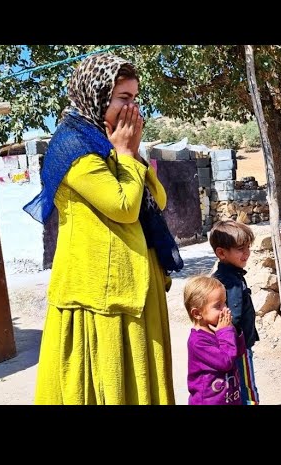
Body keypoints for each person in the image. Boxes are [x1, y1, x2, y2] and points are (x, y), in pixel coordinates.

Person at [23, 53, 175, 404]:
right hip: (99, 290)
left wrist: (131, 156)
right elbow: (122, 207)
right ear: (96, 94)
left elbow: (159, 200)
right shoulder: (74, 148)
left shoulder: (112, 145)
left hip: (135, 283)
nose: (132, 108)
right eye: (123, 98)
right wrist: (124, 154)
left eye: (135, 99)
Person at [210, 220, 260, 405]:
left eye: (248, 247)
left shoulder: (221, 278)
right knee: (247, 388)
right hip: (238, 347)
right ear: (221, 253)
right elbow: (235, 318)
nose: (247, 253)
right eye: (240, 249)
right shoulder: (231, 283)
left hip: (228, 346)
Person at [184, 275, 246, 405]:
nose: (226, 309)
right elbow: (226, 362)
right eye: (218, 306)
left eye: (225, 302)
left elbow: (238, 353)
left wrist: (234, 330)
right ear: (197, 313)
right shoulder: (198, 342)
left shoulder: (219, 330)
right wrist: (226, 332)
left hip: (230, 398)